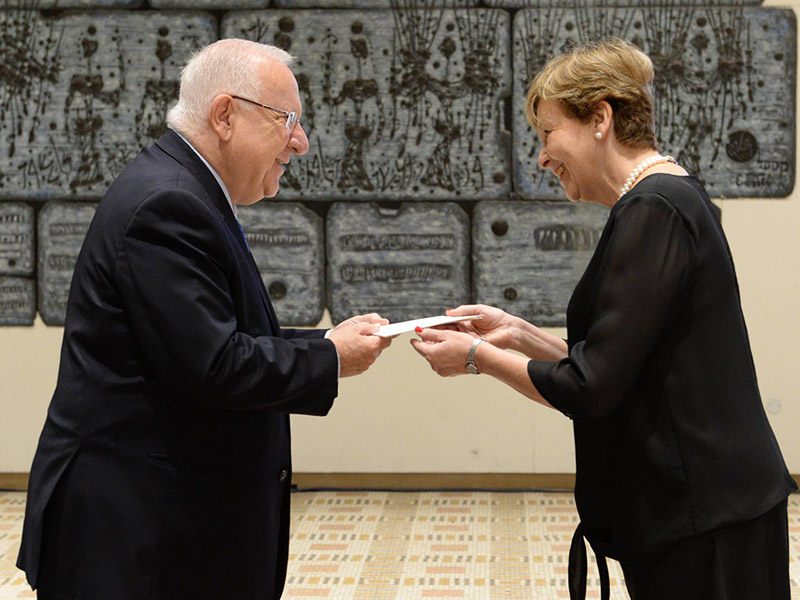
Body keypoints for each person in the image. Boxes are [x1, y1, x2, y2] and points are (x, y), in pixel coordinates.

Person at [411, 38, 795, 600]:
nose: (542, 156)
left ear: (600, 119)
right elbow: (618, 360)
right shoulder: (666, 198)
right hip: (705, 512)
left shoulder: (654, 209)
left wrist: (477, 358)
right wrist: (515, 333)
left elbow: (591, 388)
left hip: (704, 520)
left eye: (547, 133)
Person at [17, 39, 391, 600]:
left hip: (158, 523)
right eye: (287, 119)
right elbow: (215, 364)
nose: (301, 141)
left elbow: (209, 338)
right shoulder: (168, 205)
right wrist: (330, 357)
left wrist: (328, 342)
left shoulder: (182, 190)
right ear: (224, 115)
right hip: (137, 537)